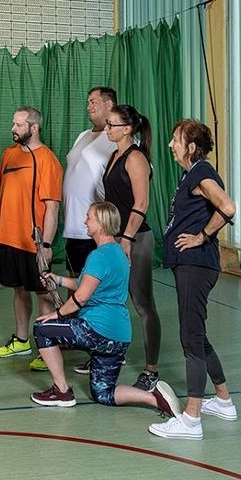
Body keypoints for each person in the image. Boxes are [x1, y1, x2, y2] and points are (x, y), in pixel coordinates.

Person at [29, 202, 182, 419]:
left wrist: (57, 315)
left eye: (89, 217)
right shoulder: (118, 253)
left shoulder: (99, 257)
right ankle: (154, 398)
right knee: (103, 393)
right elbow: (87, 284)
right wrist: (59, 279)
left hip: (97, 331)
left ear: (100, 224)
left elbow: (81, 297)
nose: (85, 221)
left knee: (42, 329)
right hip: (119, 337)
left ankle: (62, 391)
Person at [149, 119, 238, 440]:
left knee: (190, 340)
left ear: (190, 147)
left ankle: (191, 419)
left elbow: (227, 206)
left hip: (196, 265)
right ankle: (224, 402)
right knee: (198, 336)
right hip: (191, 265)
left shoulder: (201, 171)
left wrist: (201, 236)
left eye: (176, 140)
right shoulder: (192, 174)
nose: (171, 145)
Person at [29, 87, 117, 373]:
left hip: (97, 229)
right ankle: (74, 336)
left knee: (94, 292)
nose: (89, 106)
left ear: (109, 104)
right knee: (75, 282)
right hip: (76, 227)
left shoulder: (116, 139)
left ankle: (104, 347)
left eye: (94, 102)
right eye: (87, 101)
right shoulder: (83, 136)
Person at [0, 107, 63, 366]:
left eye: (19, 125)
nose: (13, 129)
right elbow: (3, 195)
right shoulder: (8, 155)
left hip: (33, 242)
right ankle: (21, 342)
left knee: (43, 293)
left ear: (34, 128)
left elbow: (52, 206)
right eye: (13, 123)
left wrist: (46, 244)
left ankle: (49, 348)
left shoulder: (47, 160)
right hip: (7, 238)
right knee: (19, 290)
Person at [102, 104, 163, 391]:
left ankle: (151, 371)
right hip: (115, 239)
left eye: (112, 124)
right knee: (111, 301)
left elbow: (141, 203)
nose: (107, 128)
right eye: (107, 123)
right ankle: (110, 356)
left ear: (127, 129)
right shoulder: (115, 155)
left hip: (136, 239)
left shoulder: (135, 158)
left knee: (142, 304)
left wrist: (126, 238)